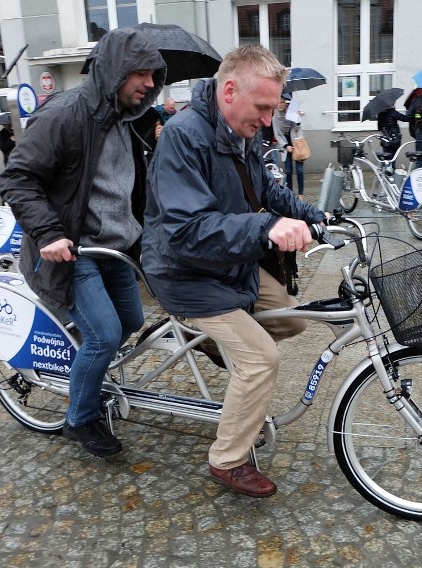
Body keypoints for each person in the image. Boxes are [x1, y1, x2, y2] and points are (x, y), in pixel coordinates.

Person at [141, 44, 327, 498]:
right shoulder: (184, 136)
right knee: (261, 358)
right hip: (184, 271)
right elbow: (186, 230)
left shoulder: (243, 131)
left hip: (227, 263)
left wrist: (314, 213)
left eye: (273, 108)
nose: (268, 120)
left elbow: (263, 189)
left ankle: (209, 343)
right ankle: (227, 460)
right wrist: (268, 226)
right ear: (229, 90)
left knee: (290, 317)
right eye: (263, 107)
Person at [0, 27, 166, 458]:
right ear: (115, 71)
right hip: (73, 251)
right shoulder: (67, 113)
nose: (149, 83)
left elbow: (132, 187)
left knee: (129, 322)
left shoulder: (131, 119)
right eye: (141, 74)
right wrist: (50, 233)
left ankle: (81, 360)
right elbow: (18, 179)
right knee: (105, 335)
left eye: (154, 75)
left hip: (116, 247)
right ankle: (80, 418)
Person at [273, 92, 305, 198]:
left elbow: (297, 128)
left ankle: (301, 194)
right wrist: (286, 146)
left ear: (285, 103)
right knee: (288, 170)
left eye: (282, 102)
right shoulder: (275, 118)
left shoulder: (291, 112)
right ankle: (290, 193)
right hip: (285, 145)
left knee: (299, 170)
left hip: (296, 142)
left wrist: (298, 119)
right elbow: (277, 134)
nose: (281, 104)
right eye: (278, 102)